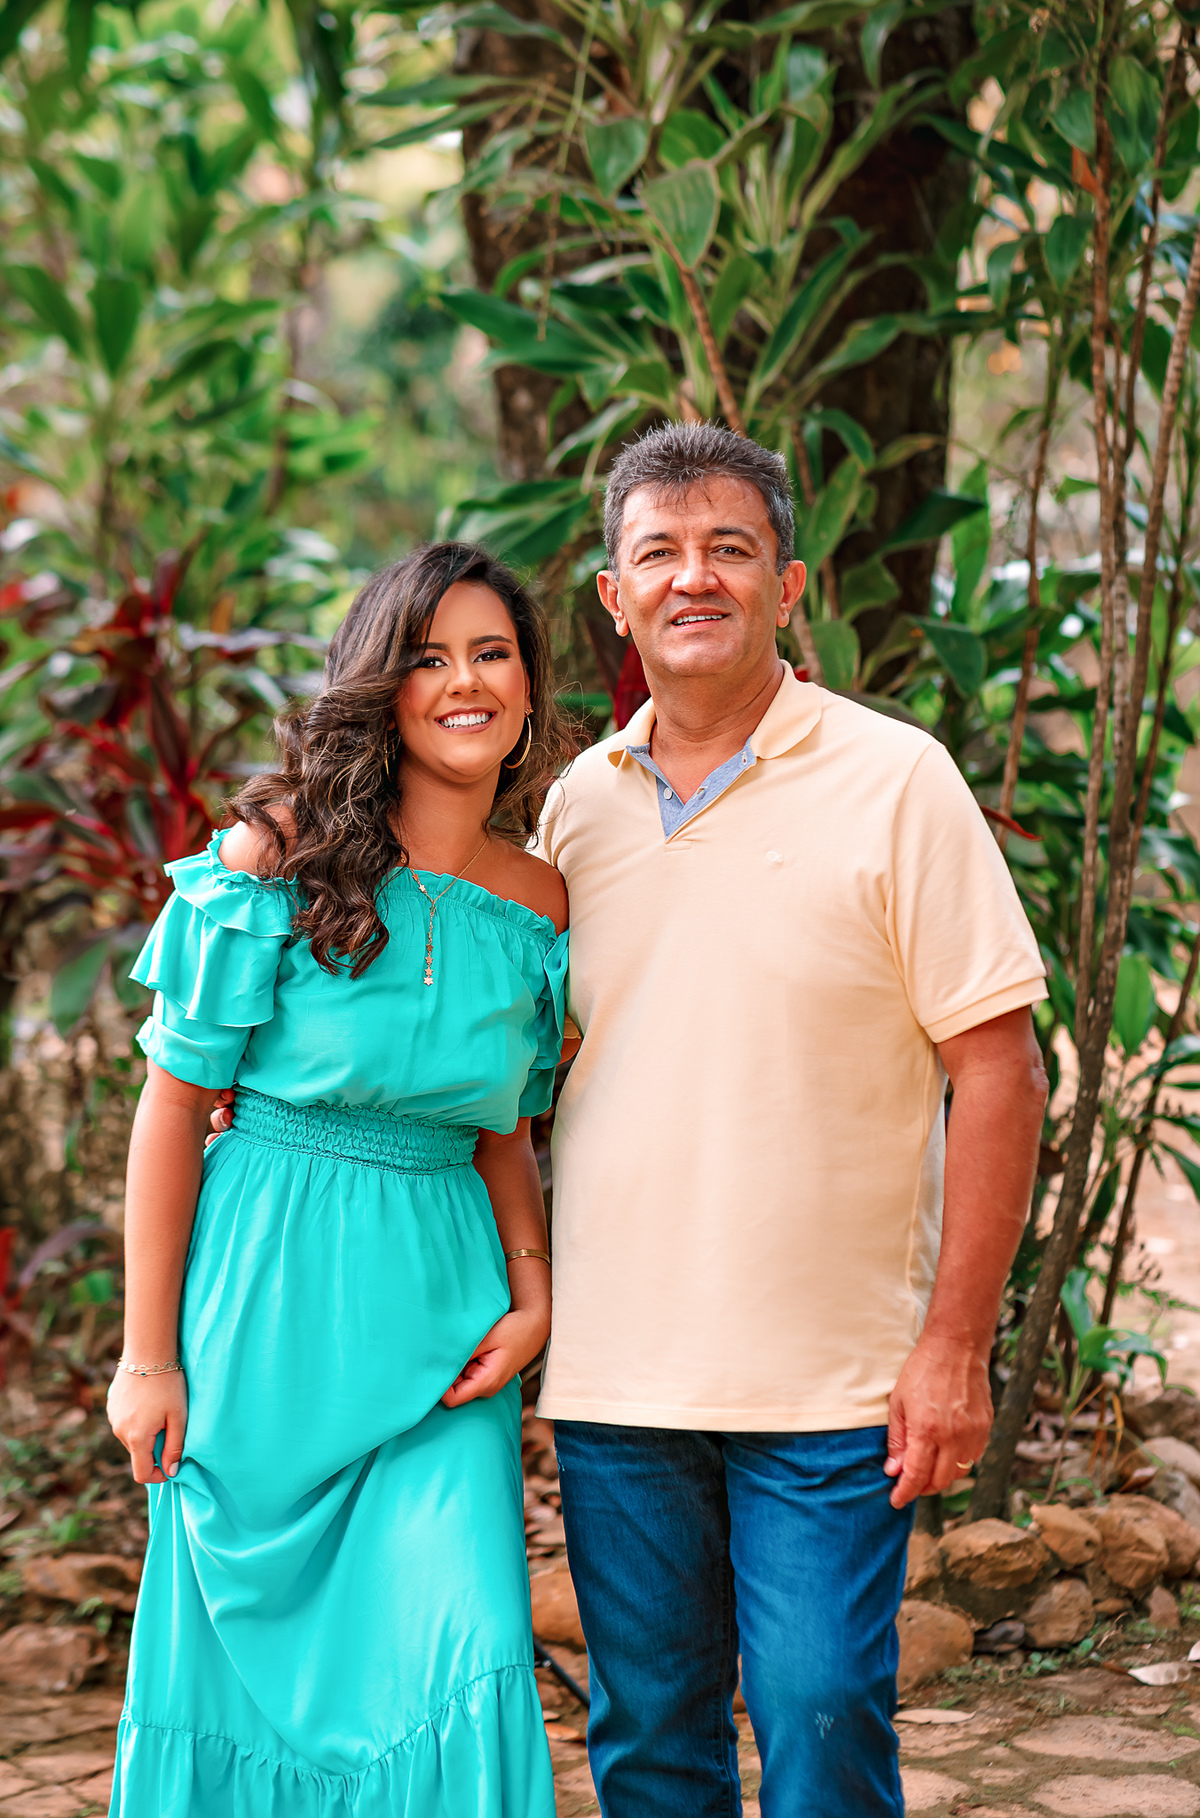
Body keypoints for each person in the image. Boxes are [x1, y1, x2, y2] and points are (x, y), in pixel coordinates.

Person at [533, 423, 1050, 1817]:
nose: (693, 577)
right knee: (651, 1743)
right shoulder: (577, 807)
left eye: (730, 548)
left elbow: (1000, 1070)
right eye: (659, 553)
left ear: (789, 584)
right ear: (616, 597)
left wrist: (955, 1346)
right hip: (621, 1379)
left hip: (835, 1383)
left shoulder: (899, 779)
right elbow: (522, 1071)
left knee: (822, 1719)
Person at [106, 542, 571, 1818]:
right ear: (381, 686)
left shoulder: (542, 901)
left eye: (492, 654)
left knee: (467, 1638)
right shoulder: (274, 855)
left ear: (529, 685)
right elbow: (173, 1108)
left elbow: (501, 1132)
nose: (465, 683)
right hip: (264, 1309)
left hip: (445, 1330)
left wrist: (533, 1295)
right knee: (236, 1683)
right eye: (429, 658)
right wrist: (147, 1359)